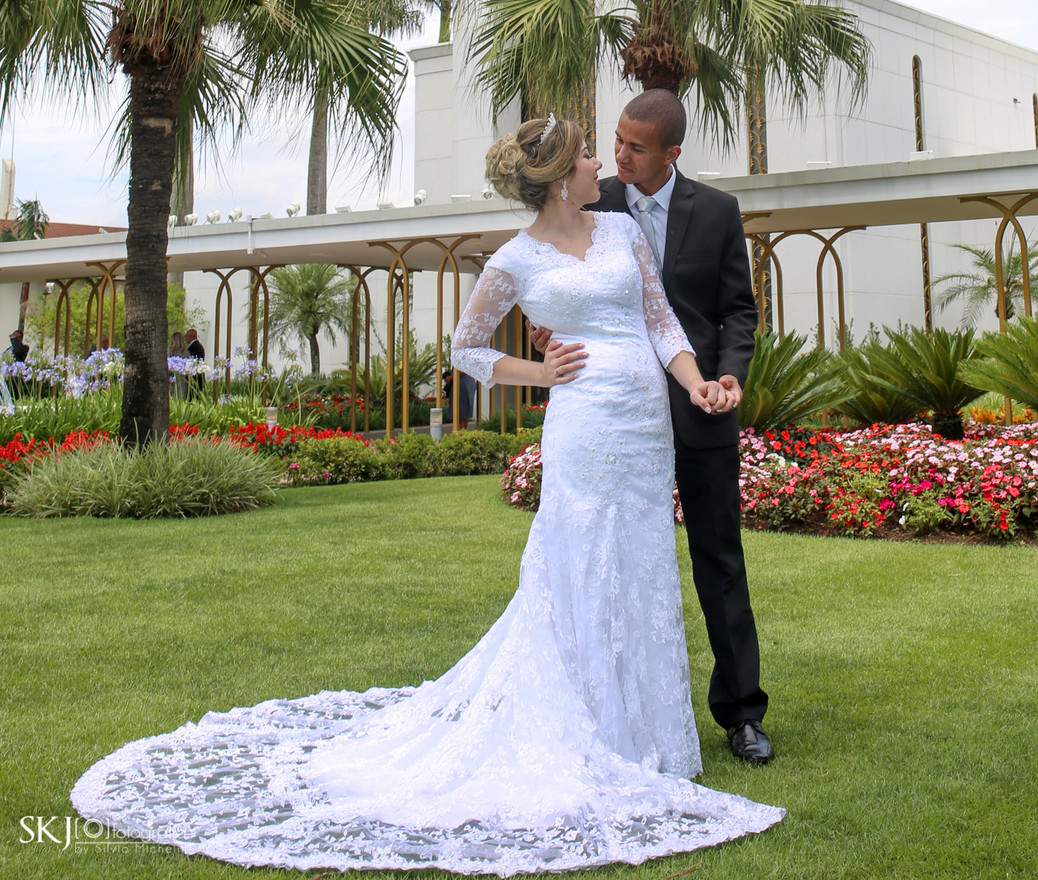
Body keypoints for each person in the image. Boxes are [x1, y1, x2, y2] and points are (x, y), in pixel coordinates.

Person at [71, 116, 783, 871]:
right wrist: (540, 373)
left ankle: (642, 733)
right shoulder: (515, 260)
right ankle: (585, 726)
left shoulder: (622, 236)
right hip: (583, 432)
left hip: (644, 431)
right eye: (585, 155)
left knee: (639, 569)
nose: (598, 163)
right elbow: (467, 349)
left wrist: (699, 382)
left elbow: (662, 323)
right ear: (555, 176)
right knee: (578, 567)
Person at [534, 89, 770, 766]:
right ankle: (608, 713)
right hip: (613, 408)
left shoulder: (719, 212)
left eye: (636, 147)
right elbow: (553, 286)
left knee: (719, 559)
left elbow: (738, 312)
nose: (619, 156)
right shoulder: (589, 199)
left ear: (672, 152)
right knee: (607, 557)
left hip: (700, 405)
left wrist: (729, 377)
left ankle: (743, 714)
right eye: (616, 141)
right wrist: (549, 331)